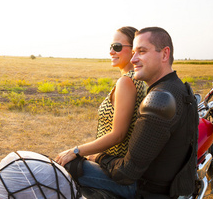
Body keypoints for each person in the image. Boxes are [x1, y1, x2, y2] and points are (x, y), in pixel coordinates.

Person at [95, 27, 198, 198]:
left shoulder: (160, 100)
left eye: (141, 52)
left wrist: (98, 157)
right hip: (172, 187)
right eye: (134, 52)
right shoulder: (179, 87)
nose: (134, 59)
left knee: (70, 169)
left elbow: (126, 173)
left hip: (147, 191)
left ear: (165, 54)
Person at [55, 26, 147, 199]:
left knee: (58, 170)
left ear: (133, 49)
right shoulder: (137, 79)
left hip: (116, 170)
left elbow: (118, 135)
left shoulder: (126, 82)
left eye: (118, 47)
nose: (112, 51)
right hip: (111, 162)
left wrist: (76, 151)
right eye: (111, 46)